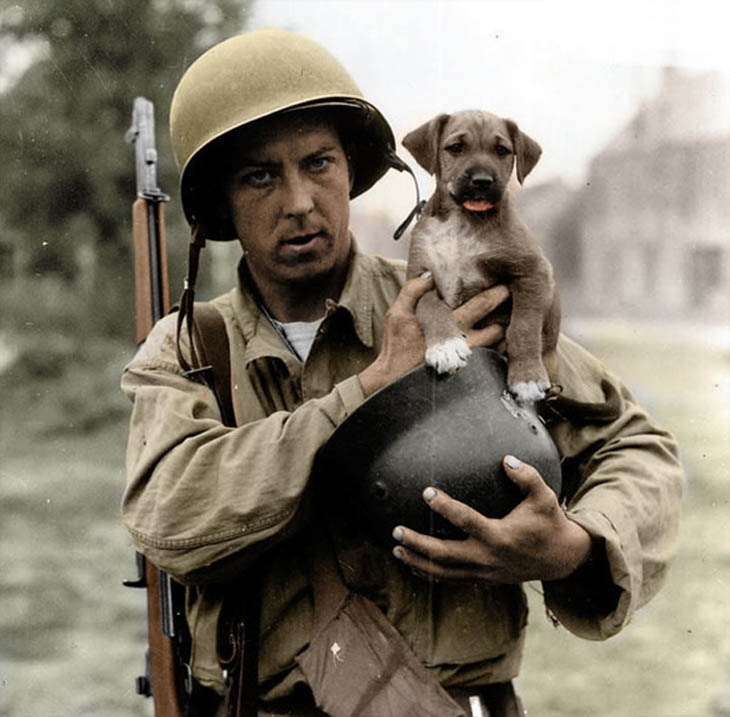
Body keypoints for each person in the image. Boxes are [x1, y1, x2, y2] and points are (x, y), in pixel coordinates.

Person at [121, 28, 684, 717]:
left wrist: (573, 545)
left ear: (351, 170)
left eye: (319, 163)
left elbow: (638, 448)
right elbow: (168, 515)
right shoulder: (187, 350)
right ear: (221, 206)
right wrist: (367, 390)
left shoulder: (459, 299)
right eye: (259, 175)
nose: (299, 201)